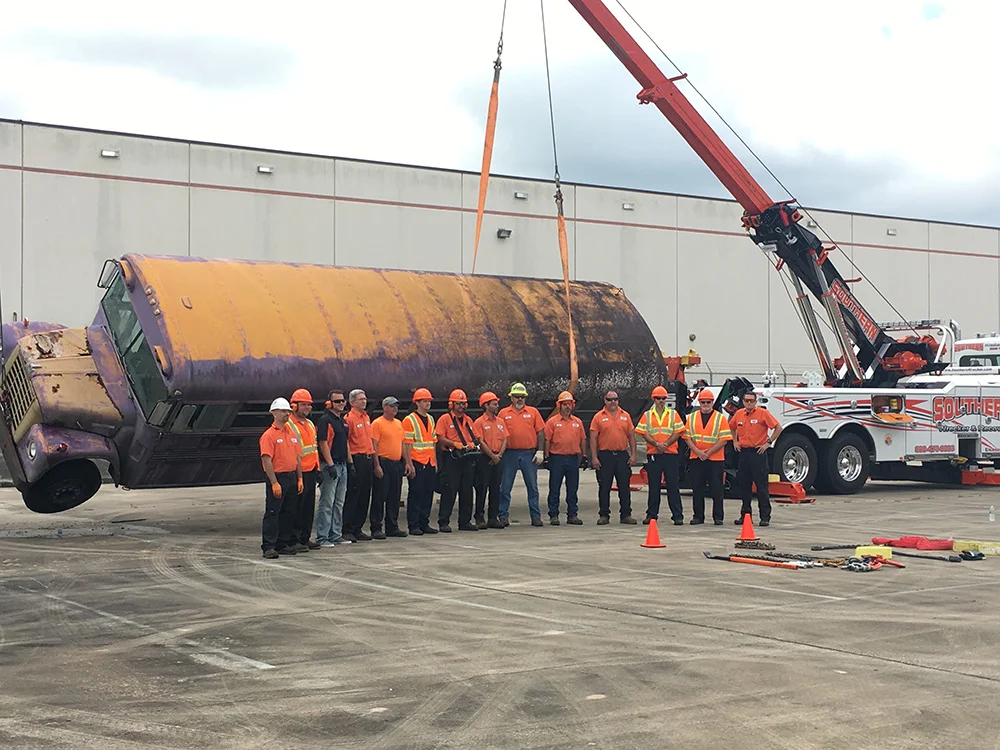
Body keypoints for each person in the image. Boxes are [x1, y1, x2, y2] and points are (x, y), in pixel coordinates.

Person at [729, 391, 783, 527]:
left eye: (751, 401)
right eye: (746, 401)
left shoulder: (762, 413)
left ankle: (765, 516)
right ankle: (745, 515)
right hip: (744, 453)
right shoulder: (739, 414)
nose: (749, 403)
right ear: (743, 402)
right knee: (744, 486)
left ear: (755, 402)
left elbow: (778, 428)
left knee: (761, 486)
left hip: (758, 453)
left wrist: (768, 443)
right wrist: (735, 441)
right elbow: (732, 427)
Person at [635, 385, 686, 526]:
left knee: (673, 485)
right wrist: (656, 444)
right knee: (654, 486)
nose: (661, 401)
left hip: (670, 454)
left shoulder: (673, 414)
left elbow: (678, 431)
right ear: (653, 399)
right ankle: (652, 515)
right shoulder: (647, 415)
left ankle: (677, 515)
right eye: (658, 398)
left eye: (663, 398)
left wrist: (665, 444)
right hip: (654, 453)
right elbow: (642, 432)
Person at [259, 397, 303, 559]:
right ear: (274, 413)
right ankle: (268, 546)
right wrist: (274, 482)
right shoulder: (269, 435)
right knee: (273, 512)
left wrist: (299, 478)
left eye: (288, 411)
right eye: (283, 411)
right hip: (278, 477)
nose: (287, 414)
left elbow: (297, 458)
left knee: (288, 512)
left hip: (291, 477)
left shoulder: (291, 434)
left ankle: (282, 543)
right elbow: (266, 460)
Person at [498, 382, 546, 527]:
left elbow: (540, 432)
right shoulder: (503, 413)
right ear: (511, 398)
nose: (520, 399)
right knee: (505, 486)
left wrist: (540, 450)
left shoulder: (533, 412)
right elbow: (498, 433)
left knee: (532, 486)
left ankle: (535, 516)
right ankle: (503, 515)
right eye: (517, 396)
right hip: (509, 453)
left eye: (522, 397)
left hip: (528, 453)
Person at [684, 389, 732, 525]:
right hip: (696, 458)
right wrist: (698, 452)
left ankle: (718, 517)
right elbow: (687, 437)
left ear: (712, 403)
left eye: (708, 402)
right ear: (699, 402)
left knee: (717, 489)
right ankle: (698, 516)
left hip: (715, 460)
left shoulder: (720, 418)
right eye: (703, 402)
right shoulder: (691, 418)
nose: (706, 404)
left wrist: (708, 452)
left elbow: (724, 439)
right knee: (697, 489)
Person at [590, 391, 638, 525]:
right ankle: (604, 515)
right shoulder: (598, 417)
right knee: (604, 487)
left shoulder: (625, 416)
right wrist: (594, 457)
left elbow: (632, 437)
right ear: (605, 400)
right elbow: (593, 439)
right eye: (610, 399)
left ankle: (626, 515)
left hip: (622, 455)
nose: (613, 402)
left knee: (624, 486)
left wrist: (633, 455)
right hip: (605, 456)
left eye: (615, 399)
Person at [436, 389, 479, 532]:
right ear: (452, 404)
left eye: (463, 403)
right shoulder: (445, 419)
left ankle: (465, 521)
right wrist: (454, 444)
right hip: (451, 458)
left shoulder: (468, 420)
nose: (461, 406)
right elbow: (440, 438)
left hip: (466, 458)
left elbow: (476, 437)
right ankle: (443, 522)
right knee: (449, 490)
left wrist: (472, 444)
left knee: (467, 491)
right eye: (458, 403)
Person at [314, 389, 353, 547]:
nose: (341, 403)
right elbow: (323, 443)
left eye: (343, 400)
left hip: (342, 465)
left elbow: (346, 443)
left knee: (339, 503)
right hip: (331, 465)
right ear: (329, 403)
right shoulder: (325, 420)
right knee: (327, 503)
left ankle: (335, 534)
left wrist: (350, 463)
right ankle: (322, 537)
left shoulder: (342, 421)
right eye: (337, 401)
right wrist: (330, 465)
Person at [544, 391, 587, 525]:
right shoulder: (552, 422)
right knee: (554, 488)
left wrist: (584, 456)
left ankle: (572, 515)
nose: (567, 407)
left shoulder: (578, 422)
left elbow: (583, 439)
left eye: (569, 404)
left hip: (573, 458)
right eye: (565, 404)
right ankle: (554, 515)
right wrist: (546, 457)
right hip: (557, 458)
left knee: (573, 488)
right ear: (559, 406)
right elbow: (547, 440)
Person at [287, 388, 322, 551]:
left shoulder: (309, 424)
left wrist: (318, 468)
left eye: (309, 404)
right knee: (296, 507)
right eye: (304, 404)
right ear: (294, 406)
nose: (308, 407)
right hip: (298, 472)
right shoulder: (289, 425)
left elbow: (314, 448)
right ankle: (293, 539)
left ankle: (304, 537)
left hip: (311, 470)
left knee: (308, 507)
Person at [370, 396, 408, 539]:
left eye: (396, 406)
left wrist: (407, 462)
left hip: (396, 463)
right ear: (385, 407)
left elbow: (403, 444)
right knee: (380, 496)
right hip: (383, 462)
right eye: (392, 406)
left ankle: (392, 526)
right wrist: (376, 465)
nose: (395, 408)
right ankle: (376, 527)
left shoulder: (398, 423)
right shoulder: (377, 423)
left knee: (394, 496)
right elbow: (374, 445)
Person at [403, 387, 438, 535]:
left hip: (429, 461)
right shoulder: (409, 420)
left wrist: (435, 461)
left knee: (428, 494)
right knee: (416, 493)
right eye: (424, 401)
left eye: (429, 401)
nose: (427, 403)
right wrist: (409, 463)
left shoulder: (430, 419)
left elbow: (433, 442)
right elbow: (406, 443)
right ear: (417, 403)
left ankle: (424, 523)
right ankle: (414, 525)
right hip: (417, 461)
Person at [343, 389, 374, 542]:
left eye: (365, 398)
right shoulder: (349, 419)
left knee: (364, 495)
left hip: (368, 459)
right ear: (352, 402)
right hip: (357, 459)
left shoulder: (366, 417)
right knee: (353, 495)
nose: (364, 401)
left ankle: (358, 528)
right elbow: (346, 442)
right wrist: (350, 462)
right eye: (360, 399)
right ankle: (347, 528)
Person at [473, 391, 506, 529]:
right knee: (482, 488)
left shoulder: (500, 422)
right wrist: (492, 456)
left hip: (498, 457)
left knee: (496, 488)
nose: (497, 406)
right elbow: (480, 441)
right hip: (484, 458)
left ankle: (493, 517)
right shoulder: (479, 422)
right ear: (486, 405)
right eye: (494, 404)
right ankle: (479, 517)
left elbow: (505, 439)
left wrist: (499, 455)